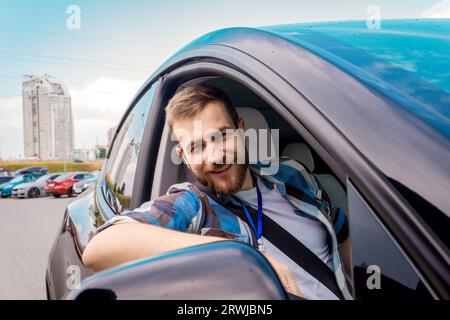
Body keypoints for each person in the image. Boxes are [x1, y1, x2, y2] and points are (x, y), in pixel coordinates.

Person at [82, 85, 352, 300]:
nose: (215, 156)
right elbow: (98, 248)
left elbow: (343, 235)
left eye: (222, 135)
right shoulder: (193, 205)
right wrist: (241, 256)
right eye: (197, 147)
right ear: (184, 157)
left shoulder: (294, 176)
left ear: (242, 131)